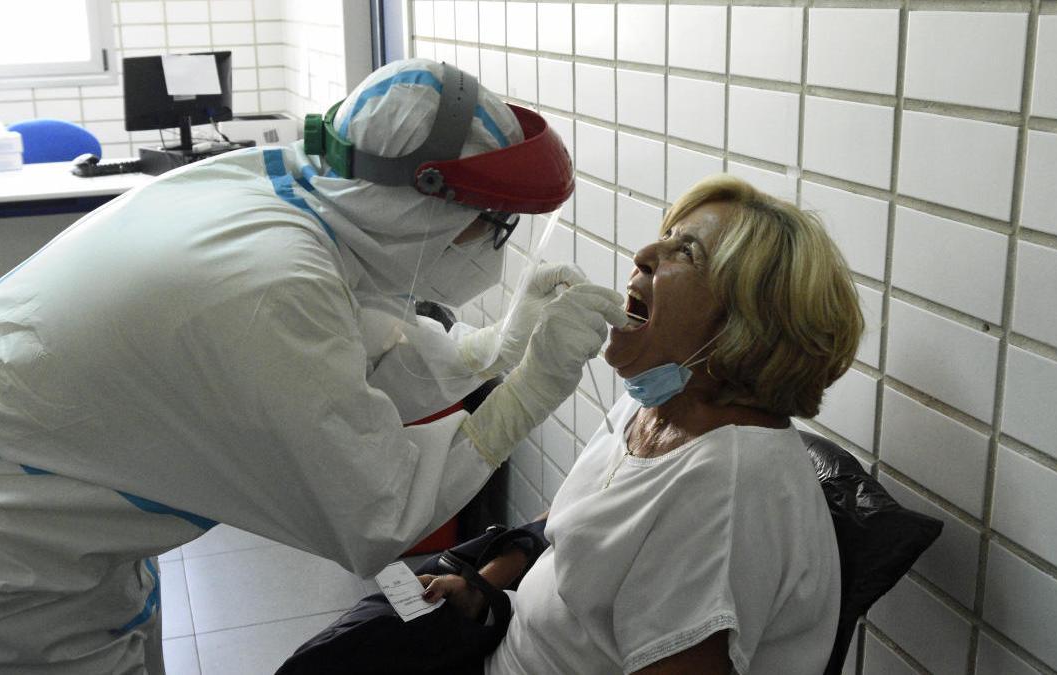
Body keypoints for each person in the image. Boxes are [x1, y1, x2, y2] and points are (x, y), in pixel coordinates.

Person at [0, 58, 625, 674]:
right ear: (423, 208)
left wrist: (497, 347)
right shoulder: (274, 284)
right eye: (492, 223)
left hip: (31, 488)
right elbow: (378, 511)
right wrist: (529, 390)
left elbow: (363, 341)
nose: (493, 245)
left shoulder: (298, 192)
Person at [286, 174, 865, 674]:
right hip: (500, 642)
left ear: (746, 324)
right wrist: (484, 583)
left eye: (685, 252)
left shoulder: (727, 492)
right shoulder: (655, 403)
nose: (644, 254)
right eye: (665, 235)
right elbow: (568, 528)